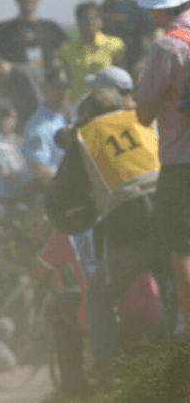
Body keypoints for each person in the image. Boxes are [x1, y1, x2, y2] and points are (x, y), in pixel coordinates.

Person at [45, 87, 168, 387]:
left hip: (129, 215)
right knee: (174, 278)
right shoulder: (145, 120)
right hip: (170, 206)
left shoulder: (87, 133)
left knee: (99, 294)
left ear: (89, 113)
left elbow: (63, 194)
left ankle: (107, 368)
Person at [135, 0, 190, 334]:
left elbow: (143, 114)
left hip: (181, 164)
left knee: (182, 250)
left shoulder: (165, 46)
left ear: (158, 9)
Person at [96, 0, 158, 76]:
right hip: (107, 73)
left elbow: (155, 34)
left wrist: (145, 62)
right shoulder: (97, 12)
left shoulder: (136, 7)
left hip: (136, 71)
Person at [59, 1, 126, 98]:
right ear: (77, 22)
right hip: (79, 106)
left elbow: (123, 77)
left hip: (108, 103)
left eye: (94, 17)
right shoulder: (67, 50)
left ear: (101, 22)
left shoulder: (114, 44)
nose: (90, 21)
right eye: (85, 17)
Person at [22, 64, 73, 189]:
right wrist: (71, 188)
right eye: (56, 88)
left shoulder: (61, 116)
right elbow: (40, 170)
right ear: (44, 89)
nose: (62, 93)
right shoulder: (37, 127)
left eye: (65, 88)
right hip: (50, 192)